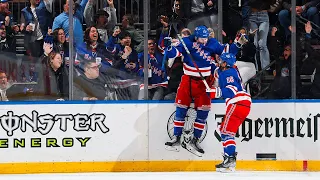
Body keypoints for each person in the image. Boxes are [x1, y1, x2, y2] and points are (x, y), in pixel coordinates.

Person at [164, 26, 246, 157]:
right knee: (181, 109)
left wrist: (238, 44)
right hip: (187, 79)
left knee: (203, 112)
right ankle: (176, 137)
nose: (204, 41)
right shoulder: (186, 42)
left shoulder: (212, 43)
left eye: (205, 37)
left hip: (204, 82)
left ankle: (195, 139)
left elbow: (227, 51)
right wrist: (168, 47)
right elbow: (173, 54)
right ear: (195, 37)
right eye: (202, 38)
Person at [210, 53, 251, 172]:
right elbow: (217, 72)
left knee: (225, 131)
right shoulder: (228, 71)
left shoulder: (229, 73)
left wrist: (215, 92)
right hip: (243, 104)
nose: (220, 62)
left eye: (222, 61)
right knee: (227, 131)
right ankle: (229, 159)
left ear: (226, 64)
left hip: (237, 103)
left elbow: (231, 90)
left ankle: (230, 159)